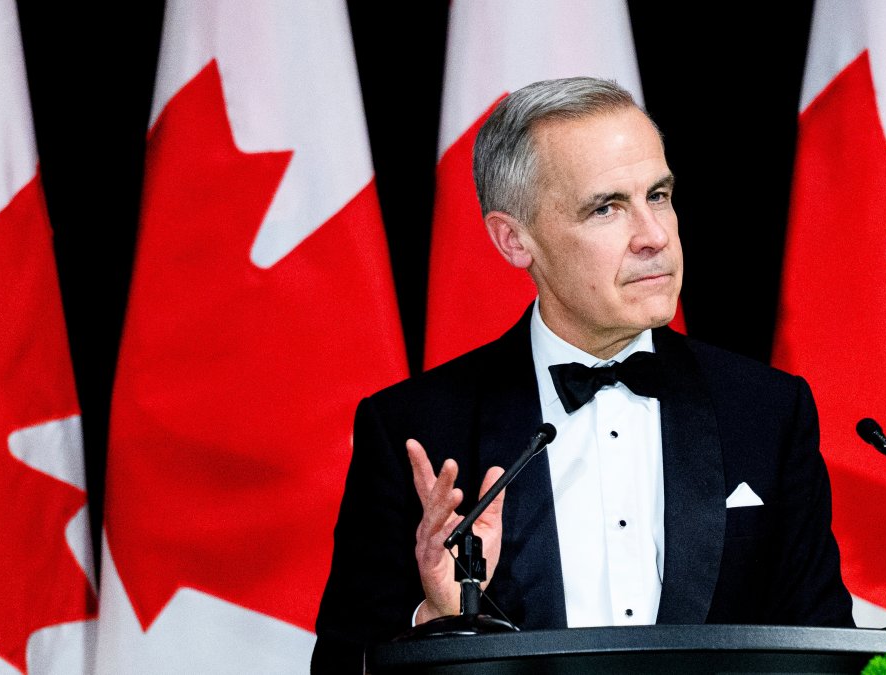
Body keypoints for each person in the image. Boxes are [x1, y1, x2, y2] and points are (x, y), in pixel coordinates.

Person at [311, 76, 853, 671]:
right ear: (514, 240)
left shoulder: (767, 411)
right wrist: (436, 620)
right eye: (607, 208)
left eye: (660, 195)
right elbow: (341, 665)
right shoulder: (414, 427)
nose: (654, 237)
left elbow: (835, 651)